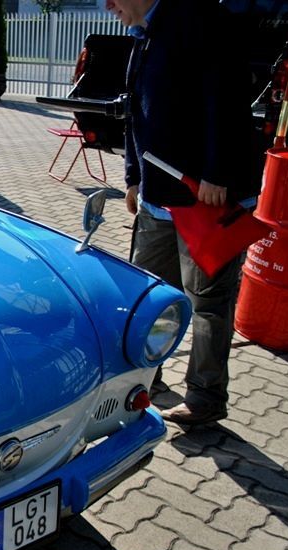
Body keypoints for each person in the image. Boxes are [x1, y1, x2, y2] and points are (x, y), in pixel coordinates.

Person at [107, 0, 257, 426]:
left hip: (206, 199)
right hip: (158, 196)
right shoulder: (143, 34)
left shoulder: (200, 19)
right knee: (148, 296)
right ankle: (145, 378)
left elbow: (225, 99)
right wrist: (133, 176)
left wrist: (217, 172)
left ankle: (206, 397)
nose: (107, 5)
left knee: (207, 303)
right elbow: (137, 112)